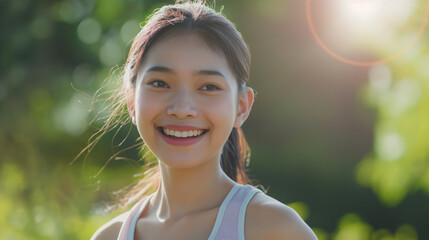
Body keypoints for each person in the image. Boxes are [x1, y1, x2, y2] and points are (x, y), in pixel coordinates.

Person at [90, 1, 317, 239]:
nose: (182, 109)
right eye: (160, 83)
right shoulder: (109, 236)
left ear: (242, 107)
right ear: (132, 101)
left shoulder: (276, 229)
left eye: (209, 87)